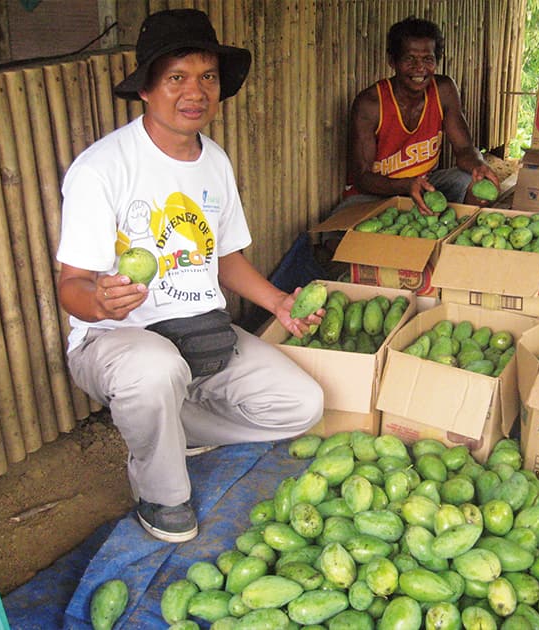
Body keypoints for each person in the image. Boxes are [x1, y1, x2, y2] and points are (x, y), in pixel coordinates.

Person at [56, 9, 324, 543]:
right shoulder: (102, 169)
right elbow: (72, 286)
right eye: (177, 77)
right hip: (115, 341)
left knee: (302, 405)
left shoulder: (215, 162)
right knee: (154, 371)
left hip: (201, 335)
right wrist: (102, 302)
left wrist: (277, 303)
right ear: (147, 91)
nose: (194, 91)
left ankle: (171, 426)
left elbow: (223, 257)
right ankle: (160, 493)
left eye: (207, 77)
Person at [333, 16, 500, 219]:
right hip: (374, 194)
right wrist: (406, 185)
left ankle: (464, 233)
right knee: (336, 238)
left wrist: (478, 167)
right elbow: (362, 177)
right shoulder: (370, 104)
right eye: (409, 59)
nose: (419, 68)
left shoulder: (444, 90)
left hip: (425, 185)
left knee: (473, 183)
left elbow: (464, 149)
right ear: (392, 61)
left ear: (436, 62)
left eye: (427, 59)